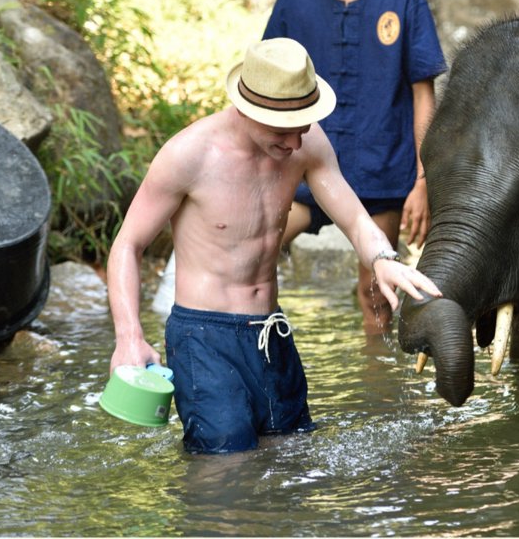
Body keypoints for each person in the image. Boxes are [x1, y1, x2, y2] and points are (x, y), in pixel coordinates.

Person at [107, 37, 442, 454]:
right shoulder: (188, 155)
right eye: (284, 131)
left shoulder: (306, 142)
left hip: (270, 331)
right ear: (248, 110)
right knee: (225, 463)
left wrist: (383, 259)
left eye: (303, 126)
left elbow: (354, 217)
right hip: (204, 337)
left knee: (290, 455)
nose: (296, 143)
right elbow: (128, 244)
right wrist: (129, 336)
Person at [263, 0, 447, 335]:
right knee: (250, 255)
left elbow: (422, 93)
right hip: (302, 168)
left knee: (378, 301)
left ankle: (377, 398)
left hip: (381, 176)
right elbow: (265, 91)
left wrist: (422, 182)